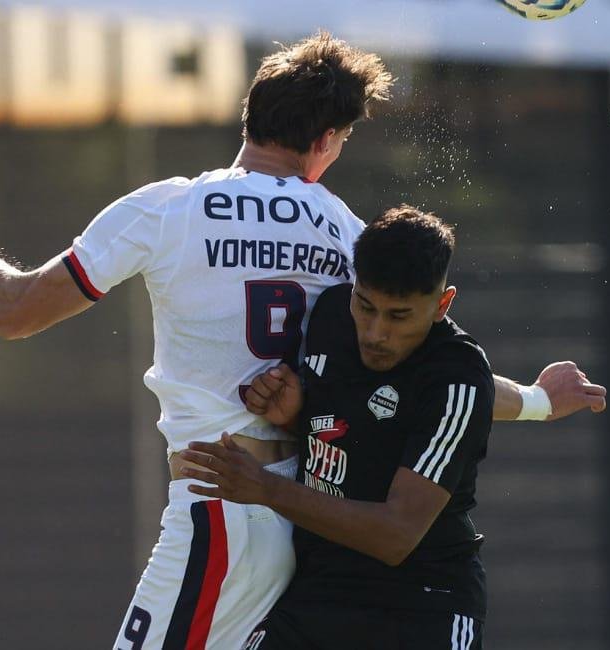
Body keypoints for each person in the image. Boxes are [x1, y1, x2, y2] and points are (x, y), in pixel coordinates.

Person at [0, 32, 605, 650]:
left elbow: (13, 311)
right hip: (306, 526)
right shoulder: (349, 236)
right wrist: (540, 400)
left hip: (224, 507)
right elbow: (442, 375)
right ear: (325, 139)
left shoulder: (169, 208)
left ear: (251, 117)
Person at [181, 207, 523, 648]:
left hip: (423, 606)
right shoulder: (330, 314)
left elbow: (396, 534)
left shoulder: (457, 376)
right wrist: (298, 417)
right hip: (319, 591)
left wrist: (264, 488)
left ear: (442, 305)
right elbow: (363, 434)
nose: (375, 332)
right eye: (366, 306)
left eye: (398, 316)